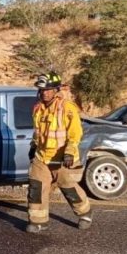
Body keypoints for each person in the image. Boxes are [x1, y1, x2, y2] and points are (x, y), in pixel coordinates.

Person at [27, 72, 92, 233]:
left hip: (62, 158)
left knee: (68, 187)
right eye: (42, 90)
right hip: (42, 157)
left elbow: (75, 133)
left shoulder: (67, 108)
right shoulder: (38, 109)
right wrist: (33, 146)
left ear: (56, 90)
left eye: (48, 89)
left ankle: (84, 212)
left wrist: (69, 152)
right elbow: (38, 132)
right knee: (36, 188)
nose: (45, 93)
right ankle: (38, 221)